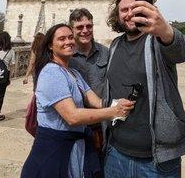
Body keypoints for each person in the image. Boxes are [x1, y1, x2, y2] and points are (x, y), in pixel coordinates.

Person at [104, 0, 185, 178]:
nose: (129, 13)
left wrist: (165, 30)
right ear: (117, 15)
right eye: (124, 10)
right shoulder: (115, 46)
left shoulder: (157, 41)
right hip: (116, 153)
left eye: (135, 8)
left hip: (156, 159)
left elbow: (180, 52)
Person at [21, 23, 134, 178]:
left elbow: (97, 102)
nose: (68, 42)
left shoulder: (73, 73)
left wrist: (123, 101)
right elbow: (72, 117)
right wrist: (114, 111)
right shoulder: (51, 73)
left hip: (74, 147)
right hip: (54, 151)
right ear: (50, 46)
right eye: (61, 39)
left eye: (70, 37)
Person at [69, 8, 109, 98]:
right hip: (78, 110)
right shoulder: (66, 56)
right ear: (71, 30)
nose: (85, 30)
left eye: (89, 26)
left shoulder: (105, 52)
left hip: (103, 110)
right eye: (80, 27)